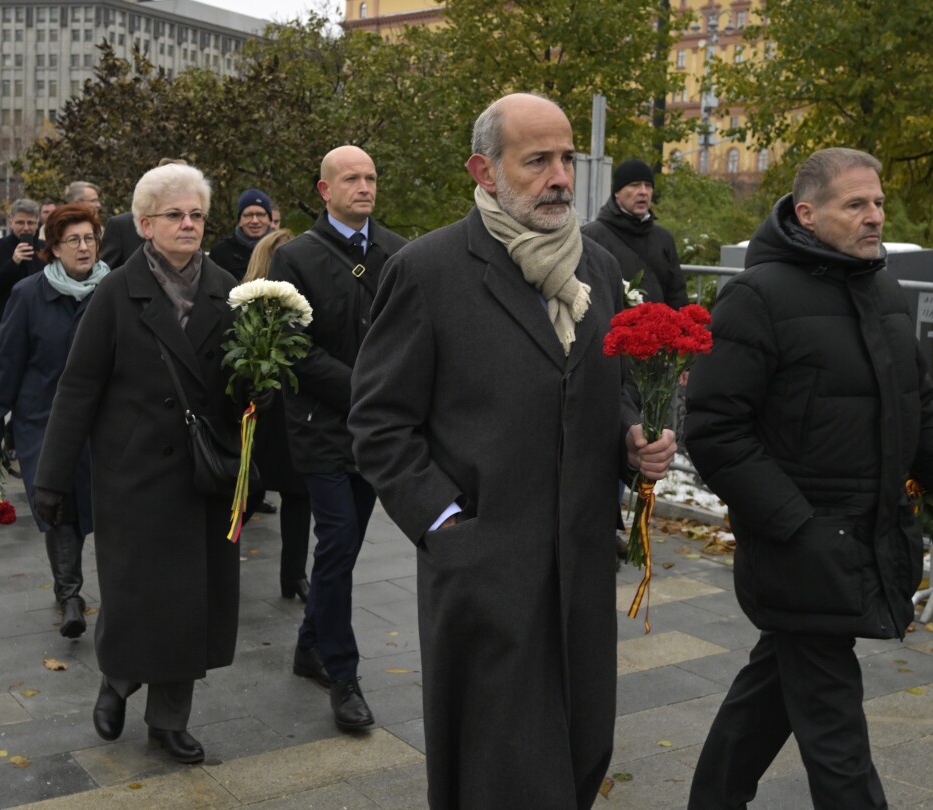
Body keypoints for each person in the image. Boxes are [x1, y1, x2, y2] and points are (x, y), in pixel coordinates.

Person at [350, 93, 677, 808]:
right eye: (537, 161)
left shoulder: (594, 265)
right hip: (484, 567)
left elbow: (607, 388)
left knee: (582, 744)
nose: (560, 176)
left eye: (565, 159)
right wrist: (446, 527)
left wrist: (631, 439)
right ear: (485, 169)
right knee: (498, 765)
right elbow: (379, 423)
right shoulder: (428, 270)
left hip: (582, 563)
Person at [682, 147, 933, 810]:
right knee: (836, 732)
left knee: (772, 691)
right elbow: (714, 431)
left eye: (878, 202)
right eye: (855, 204)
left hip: (865, 535)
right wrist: (798, 526)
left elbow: (918, 414)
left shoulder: (882, 290)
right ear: (807, 213)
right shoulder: (755, 297)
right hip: (802, 546)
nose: (874, 217)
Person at [33, 163, 243, 765]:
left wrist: (260, 385)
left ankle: (169, 719)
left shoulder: (226, 289)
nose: (188, 224)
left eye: (196, 214)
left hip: (201, 476)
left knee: (191, 605)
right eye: (174, 214)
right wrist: (52, 477)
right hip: (132, 476)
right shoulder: (116, 293)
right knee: (134, 596)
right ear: (145, 223)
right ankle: (118, 677)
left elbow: (238, 391)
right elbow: (78, 389)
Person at [268, 144, 408, 732]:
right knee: (338, 540)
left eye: (371, 177)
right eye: (351, 178)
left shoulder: (398, 252)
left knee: (343, 549)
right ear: (325, 189)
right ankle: (342, 674)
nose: (364, 186)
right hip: (320, 427)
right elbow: (291, 347)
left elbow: (409, 334)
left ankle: (308, 645)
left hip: (375, 433)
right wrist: (363, 389)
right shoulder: (295, 257)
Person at [0, 203, 107, 640]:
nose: (84, 247)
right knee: (58, 505)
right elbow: (8, 360)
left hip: (101, 421)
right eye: (74, 239)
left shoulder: (114, 291)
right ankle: (71, 595)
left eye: (90, 238)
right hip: (43, 418)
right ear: (53, 247)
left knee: (96, 503)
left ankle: (84, 586)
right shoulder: (29, 294)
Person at [241, 228, 311, 600]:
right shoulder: (249, 303)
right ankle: (216, 560)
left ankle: (294, 575)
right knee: (249, 491)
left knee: (299, 495)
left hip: (298, 412)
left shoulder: (304, 305)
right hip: (263, 413)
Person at [582, 159, 687, 307]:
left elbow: (677, 294)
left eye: (648, 185)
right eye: (634, 185)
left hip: (659, 328)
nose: (643, 192)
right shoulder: (592, 235)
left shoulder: (664, 238)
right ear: (617, 192)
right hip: (615, 328)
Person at [0, 199, 44, 344]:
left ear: (38, 223)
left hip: (41, 323)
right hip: (6, 324)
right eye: (20, 222)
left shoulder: (46, 249)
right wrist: (13, 263)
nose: (26, 228)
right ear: (11, 221)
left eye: (31, 223)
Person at [208, 189, 273, 280]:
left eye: (260, 214)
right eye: (248, 215)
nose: (255, 221)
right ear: (239, 220)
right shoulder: (221, 252)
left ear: (270, 220)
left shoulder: (281, 250)